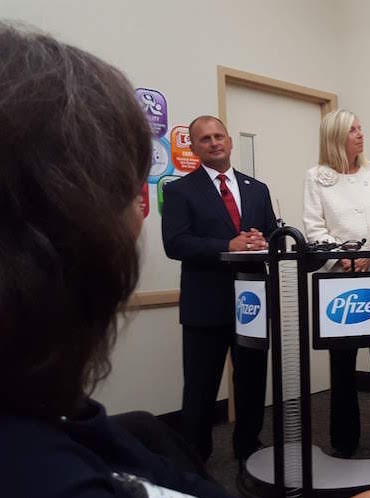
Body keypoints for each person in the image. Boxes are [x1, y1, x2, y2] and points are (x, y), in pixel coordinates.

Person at [0, 23, 232, 497]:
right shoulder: (51, 479)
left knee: (148, 431)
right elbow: (181, 244)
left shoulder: (55, 414)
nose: (138, 217)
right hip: (205, 305)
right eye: (129, 192)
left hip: (244, 307)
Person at [161, 114, 276, 466]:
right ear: (194, 148)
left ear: (229, 140)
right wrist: (229, 243)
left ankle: (248, 446)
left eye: (218, 136)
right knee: (200, 387)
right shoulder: (179, 190)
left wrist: (261, 241)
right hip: (205, 304)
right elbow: (176, 243)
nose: (214, 143)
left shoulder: (257, 188)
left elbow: (270, 234)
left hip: (251, 304)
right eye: (205, 139)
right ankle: (195, 456)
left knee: (253, 382)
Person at [303, 109, 370, 458]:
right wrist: (341, 255)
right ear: (335, 137)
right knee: (343, 368)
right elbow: (314, 227)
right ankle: (344, 441)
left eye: (361, 128)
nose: (361, 135)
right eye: (353, 130)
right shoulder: (316, 177)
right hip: (339, 283)